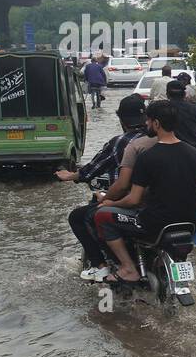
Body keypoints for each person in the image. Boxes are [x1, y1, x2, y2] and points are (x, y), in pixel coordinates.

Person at [94, 100, 196, 285]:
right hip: (191, 221)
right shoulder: (195, 153)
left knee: (102, 216)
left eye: (148, 120)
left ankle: (128, 268)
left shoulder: (146, 158)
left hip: (157, 223)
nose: (146, 124)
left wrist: (112, 203)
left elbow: (133, 199)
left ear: (157, 123)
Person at [55, 93, 150, 281]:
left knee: (79, 217)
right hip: (166, 208)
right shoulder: (166, 143)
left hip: (134, 206)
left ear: (122, 120)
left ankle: (102, 266)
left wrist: (72, 176)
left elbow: (98, 172)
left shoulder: (124, 143)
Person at [164, 78, 196, 157]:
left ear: (167, 94)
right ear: (184, 94)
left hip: (173, 152)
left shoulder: (164, 109)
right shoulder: (195, 108)